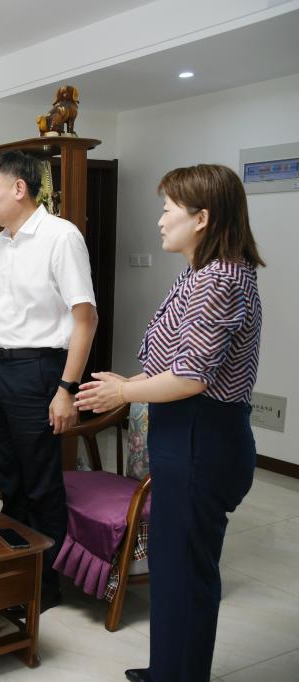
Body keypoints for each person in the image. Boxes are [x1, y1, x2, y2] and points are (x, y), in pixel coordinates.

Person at [74, 164, 264, 682]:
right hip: (188, 432)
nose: (160, 220)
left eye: (168, 209)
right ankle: (167, 670)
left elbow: (190, 378)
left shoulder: (220, 280)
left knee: (186, 571)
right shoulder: (202, 273)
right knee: (173, 565)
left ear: (202, 218)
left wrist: (122, 392)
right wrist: (130, 382)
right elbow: (174, 363)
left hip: (203, 434)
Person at [0, 150, 98, 613]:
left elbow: (85, 319)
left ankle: (45, 586)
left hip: (40, 370)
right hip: (1, 369)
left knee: (40, 482)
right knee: (8, 477)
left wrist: (66, 390)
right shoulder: (1, 243)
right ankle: (16, 569)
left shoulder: (61, 237)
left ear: (19, 189)